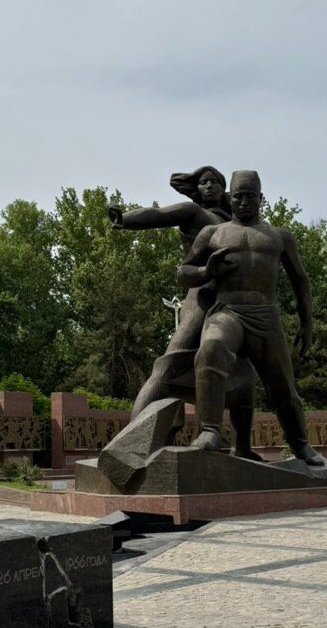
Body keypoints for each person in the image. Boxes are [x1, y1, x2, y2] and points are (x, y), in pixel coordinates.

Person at [108, 167, 260, 460]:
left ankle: (243, 447)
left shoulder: (238, 221)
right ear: (196, 188)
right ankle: (132, 438)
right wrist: (125, 220)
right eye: (203, 182)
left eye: (216, 182)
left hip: (235, 305)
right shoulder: (195, 215)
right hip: (201, 298)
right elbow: (159, 214)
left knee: (243, 373)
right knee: (169, 365)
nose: (210, 187)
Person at [177, 170, 324, 465]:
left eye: (250, 197)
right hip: (226, 310)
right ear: (231, 198)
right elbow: (183, 273)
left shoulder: (279, 236)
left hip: (264, 315)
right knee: (211, 350)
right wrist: (207, 272)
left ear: (261, 199)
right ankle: (210, 430)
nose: (244, 202)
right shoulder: (213, 233)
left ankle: (301, 444)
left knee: (282, 382)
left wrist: (307, 323)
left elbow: (301, 280)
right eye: (239, 196)